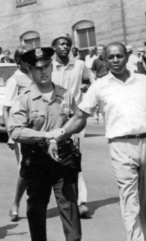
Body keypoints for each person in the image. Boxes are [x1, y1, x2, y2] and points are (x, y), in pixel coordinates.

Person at [56, 42, 146, 241]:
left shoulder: (143, 80)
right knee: (130, 200)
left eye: (120, 56)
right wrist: (59, 135)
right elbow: (81, 116)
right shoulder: (99, 86)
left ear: (127, 56)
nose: (116, 60)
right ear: (105, 60)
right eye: (111, 57)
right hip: (119, 146)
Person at [6, 47, 93, 241]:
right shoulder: (23, 99)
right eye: (37, 68)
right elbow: (15, 131)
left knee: (69, 206)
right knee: (37, 205)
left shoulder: (65, 95)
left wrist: (62, 133)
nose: (43, 72)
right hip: (36, 159)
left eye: (46, 66)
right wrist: (46, 136)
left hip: (63, 158)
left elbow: (79, 120)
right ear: (29, 71)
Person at [51, 35, 94, 217]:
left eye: (68, 44)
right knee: (52, 159)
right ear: (54, 47)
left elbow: (90, 81)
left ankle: (80, 201)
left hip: (75, 119)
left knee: (75, 157)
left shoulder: (79, 65)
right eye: (61, 44)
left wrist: (85, 90)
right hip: (53, 118)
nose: (65, 46)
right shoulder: (48, 66)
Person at [3, 46, 33, 222]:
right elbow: (6, 109)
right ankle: (15, 203)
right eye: (25, 59)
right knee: (25, 169)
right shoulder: (14, 80)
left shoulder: (36, 73)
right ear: (18, 61)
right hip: (21, 129)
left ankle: (34, 204)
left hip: (39, 127)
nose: (29, 62)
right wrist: (10, 134)